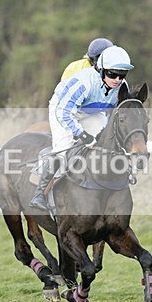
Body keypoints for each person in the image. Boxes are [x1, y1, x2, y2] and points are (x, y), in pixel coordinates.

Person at [30, 45, 135, 210]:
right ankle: (39, 193)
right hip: (63, 109)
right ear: (100, 70)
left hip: (90, 111)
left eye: (122, 75)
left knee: (102, 143)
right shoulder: (84, 83)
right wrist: (81, 134)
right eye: (112, 74)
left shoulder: (122, 87)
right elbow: (64, 113)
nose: (117, 79)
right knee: (63, 149)